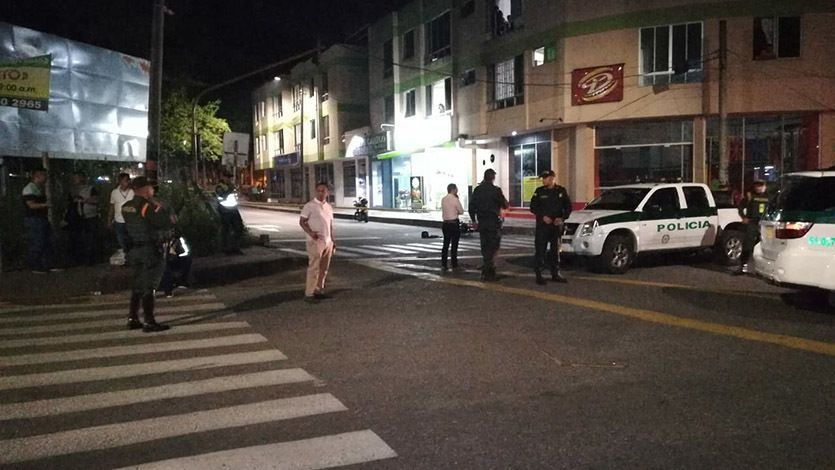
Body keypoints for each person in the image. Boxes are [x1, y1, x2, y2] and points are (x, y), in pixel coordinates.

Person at [121, 176, 172, 332]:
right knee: (149, 285)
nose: (152, 189)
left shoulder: (126, 206)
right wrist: (159, 207)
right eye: (150, 187)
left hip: (134, 250)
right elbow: (163, 222)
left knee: (137, 284)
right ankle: (149, 321)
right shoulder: (146, 206)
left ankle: (133, 318)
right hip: (149, 250)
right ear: (144, 189)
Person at [529, 170, 572, 284]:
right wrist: (543, 216)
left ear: (552, 178)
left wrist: (562, 218)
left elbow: (568, 207)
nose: (543, 180)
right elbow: (533, 207)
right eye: (543, 178)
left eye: (546, 178)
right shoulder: (539, 191)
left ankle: (555, 273)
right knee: (540, 251)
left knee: (555, 251)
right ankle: (539, 275)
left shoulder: (561, 191)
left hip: (555, 226)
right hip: (543, 226)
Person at [468, 169, 509, 281]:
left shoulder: (477, 190)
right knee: (493, 247)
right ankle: (489, 273)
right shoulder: (496, 190)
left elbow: (471, 207)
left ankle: (487, 271)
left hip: (482, 223)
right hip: (493, 223)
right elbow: (505, 204)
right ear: (493, 178)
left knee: (485, 247)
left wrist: (474, 220)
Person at [299, 181, 335, 303]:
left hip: (327, 241)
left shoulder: (329, 207)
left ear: (327, 193)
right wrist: (311, 233)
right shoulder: (310, 206)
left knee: (324, 268)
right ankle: (309, 293)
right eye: (318, 191)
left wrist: (333, 240)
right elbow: (302, 222)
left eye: (323, 191)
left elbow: (330, 225)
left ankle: (319, 290)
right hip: (315, 241)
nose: (320, 193)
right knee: (314, 267)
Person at [21, 168, 59, 274]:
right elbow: (31, 205)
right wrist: (46, 205)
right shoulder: (29, 189)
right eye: (44, 175)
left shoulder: (37, 188)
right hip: (34, 219)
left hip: (40, 218)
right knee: (37, 242)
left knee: (47, 241)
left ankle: (47, 264)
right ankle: (35, 266)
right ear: (37, 176)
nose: (46, 178)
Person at [733, 180, 769, 275]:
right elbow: (740, 208)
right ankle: (743, 267)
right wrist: (744, 217)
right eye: (757, 186)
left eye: (761, 185)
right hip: (752, 223)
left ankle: (763, 269)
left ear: (765, 186)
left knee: (765, 246)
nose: (759, 188)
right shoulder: (750, 195)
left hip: (765, 224)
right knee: (747, 246)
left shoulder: (769, 196)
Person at [66, 171, 100, 266]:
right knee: (78, 239)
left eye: (77, 177)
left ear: (82, 178)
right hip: (77, 218)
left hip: (89, 216)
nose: (75, 180)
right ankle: (79, 258)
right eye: (74, 178)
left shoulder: (91, 189)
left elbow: (96, 200)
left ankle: (91, 259)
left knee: (90, 238)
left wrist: (84, 200)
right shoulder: (72, 190)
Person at [215, 173, 244, 254]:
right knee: (226, 229)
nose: (229, 179)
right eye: (227, 177)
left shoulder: (231, 186)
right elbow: (222, 196)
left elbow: (235, 196)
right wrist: (230, 190)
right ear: (223, 177)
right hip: (224, 210)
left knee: (239, 227)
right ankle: (225, 248)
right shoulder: (220, 187)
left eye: (230, 178)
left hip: (233, 209)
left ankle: (235, 247)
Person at [107, 173, 134, 260]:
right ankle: (125, 256)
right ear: (120, 181)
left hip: (130, 221)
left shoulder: (133, 192)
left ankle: (130, 256)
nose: (126, 182)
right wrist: (109, 220)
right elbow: (112, 206)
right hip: (119, 220)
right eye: (124, 181)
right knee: (121, 239)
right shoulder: (114, 192)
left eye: (127, 180)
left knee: (130, 239)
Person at [441, 183, 464, 271]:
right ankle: (454, 264)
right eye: (456, 189)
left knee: (445, 244)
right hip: (454, 224)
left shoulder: (443, 199)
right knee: (454, 245)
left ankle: (444, 264)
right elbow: (461, 211)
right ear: (453, 190)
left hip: (445, 224)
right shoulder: (455, 199)